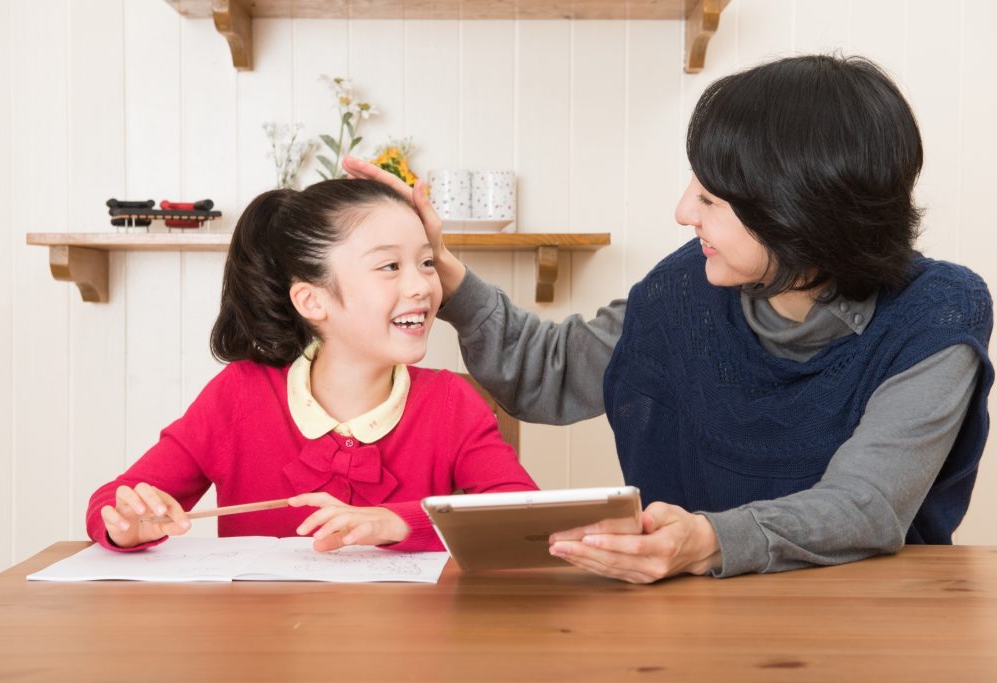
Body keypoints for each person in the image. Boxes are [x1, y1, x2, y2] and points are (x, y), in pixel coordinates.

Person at [344, 54, 994, 582]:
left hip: (877, 616)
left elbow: (866, 504)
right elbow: (550, 371)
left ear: (800, 214)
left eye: (712, 197)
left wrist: (708, 539)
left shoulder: (934, 315)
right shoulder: (686, 286)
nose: (685, 210)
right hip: (689, 620)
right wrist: (438, 267)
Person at [87, 179, 537, 553]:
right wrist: (125, 524)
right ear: (311, 300)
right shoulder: (239, 395)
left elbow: (522, 516)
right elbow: (114, 500)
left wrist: (399, 523)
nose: (421, 285)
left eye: (425, 262)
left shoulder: (451, 403)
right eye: (390, 266)